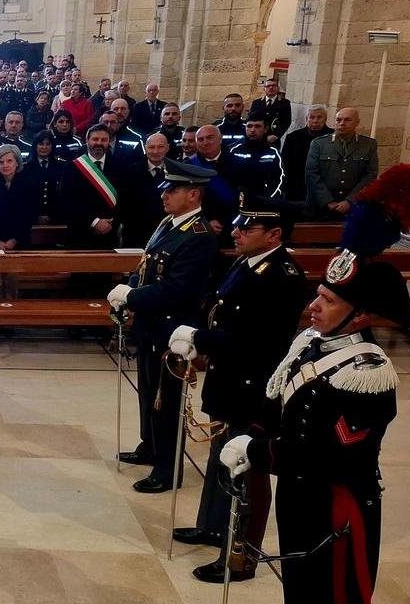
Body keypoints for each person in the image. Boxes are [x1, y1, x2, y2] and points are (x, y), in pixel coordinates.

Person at [219, 165, 410, 603]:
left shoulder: (366, 373)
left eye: (327, 301)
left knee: (329, 592)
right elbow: (279, 404)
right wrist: (254, 432)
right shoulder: (312, 345)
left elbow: (327, 454)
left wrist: (257, 451)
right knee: (299, 587)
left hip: (336, 506)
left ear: (361, 315)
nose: (313, 307)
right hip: (298, 495)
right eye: (318, 295)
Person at [166, 194, 309, 584]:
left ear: (275, 233)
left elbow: (253, 340)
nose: (237, 231)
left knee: (246, 468)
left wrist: (201, 337)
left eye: (248, 227)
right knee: (219, 459)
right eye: (238, 224)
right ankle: (213, 526)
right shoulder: (247, 264)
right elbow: (220, 309)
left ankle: (241, 552)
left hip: (253, 385)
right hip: (229, 379)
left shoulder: (282, 276)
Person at [109, 159, 219, 493]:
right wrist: (127, 293)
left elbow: (178, 288)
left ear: (194, 195)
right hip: (150, 324)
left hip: (173, 330)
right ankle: (150, 445)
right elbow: (147, 267)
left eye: (173, 190)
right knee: (148, 390)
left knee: (166, 400)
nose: (165, 196)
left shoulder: (198, 236)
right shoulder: (171, 224)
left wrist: (132, 296)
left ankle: (167, 467)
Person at [61, 124, 127, 249]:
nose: (99, 143)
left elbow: (125, 200)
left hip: (110, 233)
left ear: (109, 142)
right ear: (87, 141)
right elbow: (67, 202)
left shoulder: (121, 166)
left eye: (104, 140)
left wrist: (112, 223)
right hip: (79, 233)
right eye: (95, 139)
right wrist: (94, 222)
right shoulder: (71, 168)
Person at [305, 107, 377, 220]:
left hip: (353, 206)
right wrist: (328, 201)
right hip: (321, 207)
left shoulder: (368, 145)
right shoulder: (319, 143)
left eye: (347, 120)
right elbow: (312, 174)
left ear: (357, 122)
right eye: (338, 120)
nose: (342, 123)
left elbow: (370, 175)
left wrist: (350, 201)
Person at [120, 133, 172, 248]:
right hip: (136, 233)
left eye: (160, 147)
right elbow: (124, 203)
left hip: (166, 232)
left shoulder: (176, 171)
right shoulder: (130, 171)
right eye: (151, 147)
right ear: (145, 148)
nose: (155, 151)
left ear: (168, 147)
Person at [280, 105, 332, 203]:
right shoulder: (293, 137)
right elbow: (285, 163)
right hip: (297, 186)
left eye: (319, 117)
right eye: (312, 117)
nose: (315, 121)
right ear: (306, 119)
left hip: (324, 188)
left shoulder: (332, 137)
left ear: (325, 119)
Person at [230, 116, 284, 197]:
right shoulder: (235, 151)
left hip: (266, 200)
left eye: (257, 126)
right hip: (238, 199)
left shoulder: (273, 152)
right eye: (249, 126)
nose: (252, 130)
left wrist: (267, 198)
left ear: (265, 129)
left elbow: (280, 178)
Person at [27, 130, 64, 224]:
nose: (44, 147)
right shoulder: (26, 168)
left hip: (56, 218)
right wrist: (35, 216)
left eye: (48, 144)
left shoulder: (61, 166)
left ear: (52, 147)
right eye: (41, 144)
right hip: (31, 219)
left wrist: (53, 216)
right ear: (35, 146)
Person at [248, 77, 291, 144]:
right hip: (258, 137)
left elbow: (286, 121)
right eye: (268, 86)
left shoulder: (285, 103)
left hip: (273, 139)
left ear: (278, 88)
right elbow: (251, 119)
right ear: (264, 89)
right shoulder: (256, 103)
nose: (271, 88)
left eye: (273, 85)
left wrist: (276, 136)